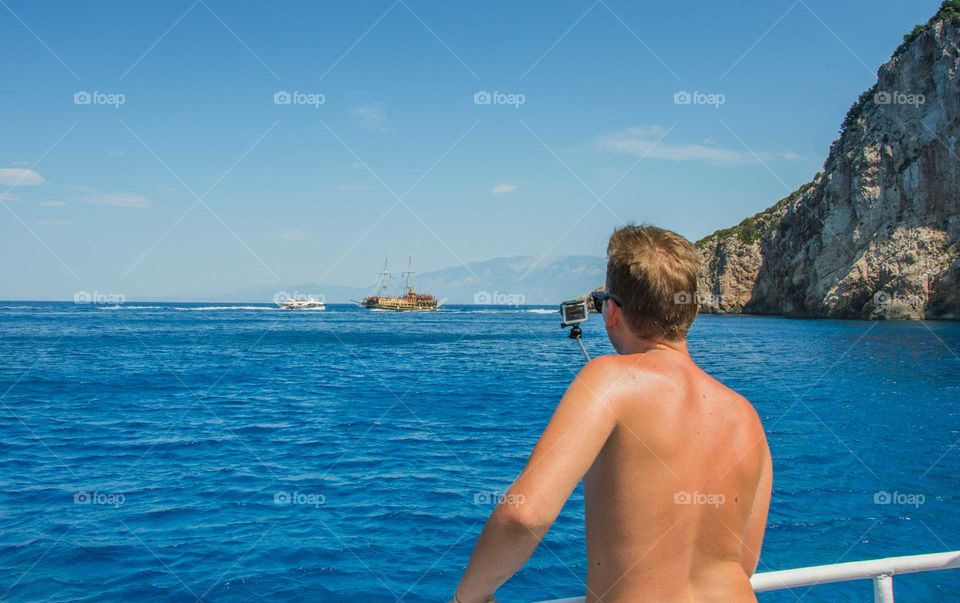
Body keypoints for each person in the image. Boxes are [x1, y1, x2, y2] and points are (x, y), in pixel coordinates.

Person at [450, 224, 772, 602]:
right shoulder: (745, 415)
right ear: (694, 313)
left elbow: (525, 516)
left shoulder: (609, 380)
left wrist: (467, 597)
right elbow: (743, 561)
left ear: (612, 313)